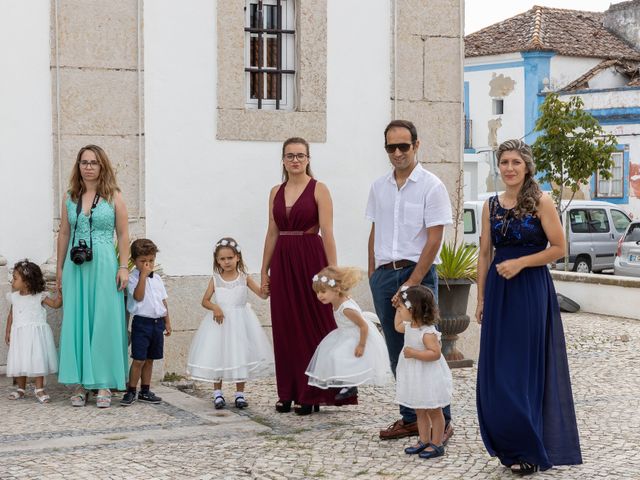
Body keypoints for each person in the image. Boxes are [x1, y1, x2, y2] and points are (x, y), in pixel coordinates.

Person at [476, 139, 582, 475]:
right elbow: (484, 254)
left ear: (526, 166)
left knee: (522, 371)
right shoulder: (490, 205)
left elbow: (559, 248)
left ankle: (529, 448)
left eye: (515, 162)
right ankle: (510, 445)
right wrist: (480, 299)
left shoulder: (541, 200)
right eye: (504, 162)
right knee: (497, 374)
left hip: (529, 292)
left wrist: (521, 263)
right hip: (498, 293)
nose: (509, 168)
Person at [366, 119, 453, 440]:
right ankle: (411, 418)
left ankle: (443, 420)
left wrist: (411, 284)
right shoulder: (379, 186)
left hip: (417, 275)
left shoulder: (432, 186)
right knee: (396, 348)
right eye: (392, 147)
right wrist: (374, 274)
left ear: (416, 145)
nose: (398, 152)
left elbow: (434, 239)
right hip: (384, 275)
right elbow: (375, 230)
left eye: (404, 146)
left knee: (425, 344)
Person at [261, 137, 357, 415]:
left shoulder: (319, 189)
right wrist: (264, 269)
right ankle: (287, 391)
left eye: (300, 156)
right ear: (283, 160)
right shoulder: (275, 192)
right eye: (290, 156)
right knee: (285, 324)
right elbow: (271, 231)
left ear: (308, 159)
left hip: (310, 259)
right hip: (282, 260)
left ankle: (312, 392)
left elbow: (327, 231)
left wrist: (334, 273)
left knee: (314, 323)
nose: (295, 160)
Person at [56, 145, 130, 408]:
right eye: (84, 162)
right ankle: (79, 383)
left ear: (102, 166)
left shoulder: (114, 196)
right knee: (77, 321)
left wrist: (123, 267)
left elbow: (122, 234)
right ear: (78, 166)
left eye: (94, 162)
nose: (88, 167)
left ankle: (103, 382)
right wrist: (60, 269)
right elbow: (64, 233)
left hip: (104, 263)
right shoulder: (70, 197)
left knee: (103, 319)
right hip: (76, 266)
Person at [187, 237, 273, 409]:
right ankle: (217, 393)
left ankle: (239, 394)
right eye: (222, 259)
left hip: (241, 323)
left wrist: (267, 289)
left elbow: (262, 296)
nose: (226, 262)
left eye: (230, 258)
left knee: (239, 355)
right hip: (219, 324)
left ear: (237, 257)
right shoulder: (216, 279)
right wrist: (215, 307)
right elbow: (204, 300)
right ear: (217, 261)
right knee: (217, 355)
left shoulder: (244, 278)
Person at [305, 266, 391, 399]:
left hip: (357, 336)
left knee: (337, 355)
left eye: (323, 291)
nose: (319, 296)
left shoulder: (346, 308)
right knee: (333, 354)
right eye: (317, 292)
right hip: (345, 334)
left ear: (337, 289)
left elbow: (363, 326)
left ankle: (350, 386)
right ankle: (346, 382)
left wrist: (361, 345)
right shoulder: (337, 300)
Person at [394, 285, 452, 459]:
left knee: (434, 410)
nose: (399, 310)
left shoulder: (427, 332)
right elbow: (397, 326)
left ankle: (437, 443)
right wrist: (397, 307)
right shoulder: (409, 326)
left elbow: (435, 354)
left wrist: (414, 353)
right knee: (420, 410)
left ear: (413, 310)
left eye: (402, 308)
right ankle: (424, 439)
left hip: (428, 376)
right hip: (416, 376)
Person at [121, 239, 172, 406]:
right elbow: (138, 297)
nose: (147, 264)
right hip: (141, 323)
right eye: (143, 261)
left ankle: (145, 390)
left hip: (157, 323)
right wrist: (143, 276)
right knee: (139, 359)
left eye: (150, 260)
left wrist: (167, 321)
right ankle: (131, 390)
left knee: (150, 359)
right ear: (134, 261)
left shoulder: (157, 278)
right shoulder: (133, 278)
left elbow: (163, 301)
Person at [5, 260, 61, 403]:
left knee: (38, 360)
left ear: (27, 282)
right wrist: (8, 332)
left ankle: (39, 388)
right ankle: (21, 388)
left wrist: (60, 294)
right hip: (19, 335)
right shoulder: (14, 297)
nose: (12, 281)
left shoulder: (39, 296)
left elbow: (55, 305)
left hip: (36, 336)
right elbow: (11, 315)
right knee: (20, 360)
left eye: (15, 278)